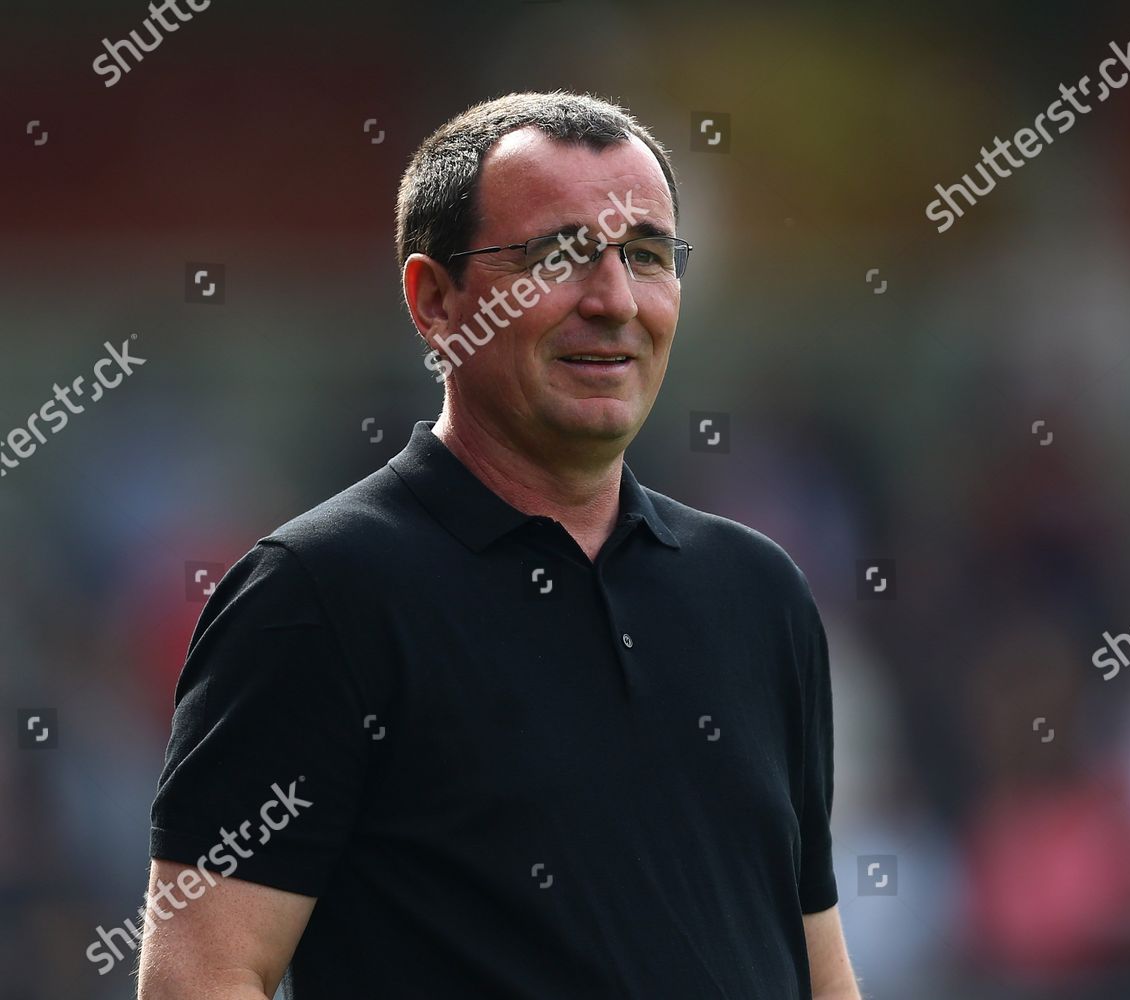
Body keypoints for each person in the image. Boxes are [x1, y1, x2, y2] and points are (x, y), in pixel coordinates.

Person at [137, 91, 860, 1000]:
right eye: (557, 256)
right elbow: (199, 979)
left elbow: (817, 967)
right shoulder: (318, 595)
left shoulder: (760, 594)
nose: (613, 300)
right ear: (434, 300)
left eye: (645, 255)